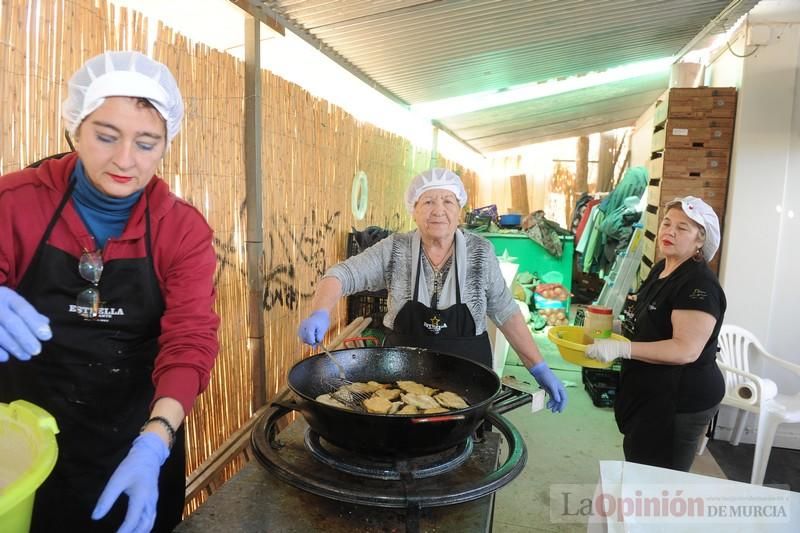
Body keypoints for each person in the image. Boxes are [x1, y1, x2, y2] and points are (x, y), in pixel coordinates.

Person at [0, 51, 220, 532]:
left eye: (146, 143)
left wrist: (155, 441)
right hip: (22, 438)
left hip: (135, 436)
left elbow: (190, 341)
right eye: (105, 136)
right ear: (75, 129)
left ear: (165, 146)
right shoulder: (14, 203)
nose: (125, 160)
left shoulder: (180, 230)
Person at [297, 168, 567, 413]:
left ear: (459, 209)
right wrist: (320, 311)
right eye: (428, 201)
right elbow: (341, 275)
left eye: (448, 201)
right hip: (399, 380)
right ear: (413, 209)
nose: (438, 210)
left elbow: (506, 313)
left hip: (469, 380)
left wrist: (538, 367)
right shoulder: (394, 249)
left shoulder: (480, 253)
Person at [585, 196, 726, 471]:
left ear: (700, 240)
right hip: (650, 391)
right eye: (667, 223)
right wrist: (613, 329)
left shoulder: (699, 286)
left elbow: (686, 349)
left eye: (682, 228)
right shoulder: (663, 267)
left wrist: (623, 348)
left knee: (660, 479)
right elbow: (650, 319)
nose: (669, 232)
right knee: (640, 462)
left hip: (679, 401)